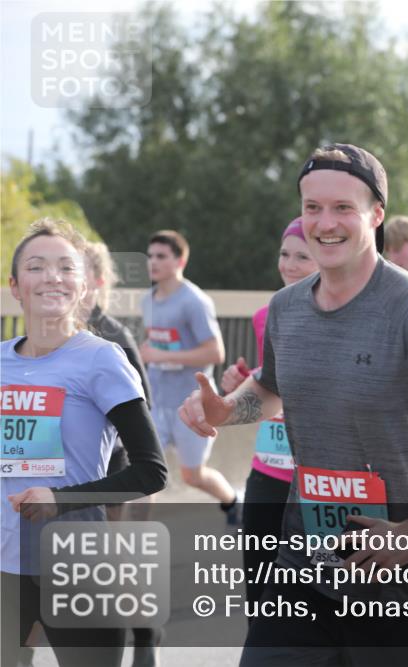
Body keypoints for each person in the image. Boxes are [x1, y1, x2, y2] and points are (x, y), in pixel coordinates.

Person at [178, 143, 408, 666]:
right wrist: (228, 410)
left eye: (343, 207)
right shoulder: (286, 308)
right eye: (312, 207)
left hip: (402, 584)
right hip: (304, 570)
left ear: (376, 214)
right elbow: (272, 387)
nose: (325, 223)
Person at [1, 219, 167, 667]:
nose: (52, 277)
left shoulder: (102, 359)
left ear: (83, 286)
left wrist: (60, 499)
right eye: (36, 266)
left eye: (66, 267)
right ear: (15, 286)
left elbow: (151, 471)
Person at [218, 217, 317, 612]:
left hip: (317, 480)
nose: (289, 265)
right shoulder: (267, 316)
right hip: (268, 470)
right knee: (261, 598)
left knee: (318, 602)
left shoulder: (346, 321)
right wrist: (243, 383)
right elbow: (271, 388)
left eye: (302, 257)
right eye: (284, 254)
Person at [82, 241, 163, 667]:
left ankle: (145, 632)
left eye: (71, 271)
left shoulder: (113, 335)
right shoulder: (44, 334)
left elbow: (141, 408)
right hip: (57, 472)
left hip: (110, 470)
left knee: (112, 560)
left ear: (97, 281)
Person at [140, 230, 239, 518]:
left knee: (192, 476)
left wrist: (161, 356)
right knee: (144, 473)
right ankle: (133, 537)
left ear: (180, 261)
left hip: (192, 406)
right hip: (156, 404)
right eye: (150, 256)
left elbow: (215, 352)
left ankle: (233, 503)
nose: (153, 262)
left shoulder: (194, 301)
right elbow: (158, 343)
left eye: (161, 256)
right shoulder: (147, 300)